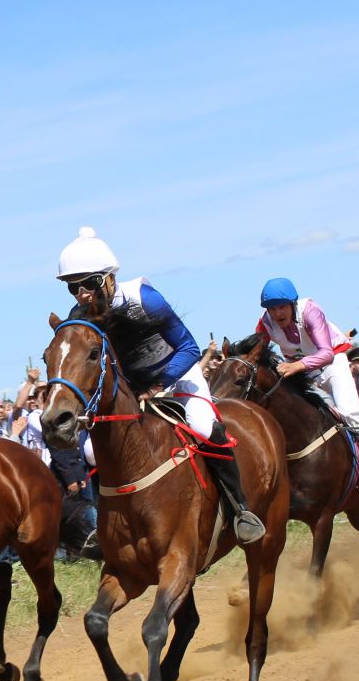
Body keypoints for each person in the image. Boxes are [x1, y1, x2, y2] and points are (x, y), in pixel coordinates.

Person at [56, 227, 264, 543]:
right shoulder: (80, 315)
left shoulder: (145, 299)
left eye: (90, 283)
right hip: (133, 388)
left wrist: (157, 385)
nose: (83, 294)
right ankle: (109, 529)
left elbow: (190, 349)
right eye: (74, 287)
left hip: (176, 376)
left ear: (110, 278)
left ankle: (241, 509)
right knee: (91, 450)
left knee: (206, 428)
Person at [253, 278, 359, 502]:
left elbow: (326, 353)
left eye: (281, 306)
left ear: (292, 304)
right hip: (299, 368)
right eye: (272, 309)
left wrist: (296, 365)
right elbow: (254, 352)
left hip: (331, 363)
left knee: (349, 411)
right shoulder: (265, 324)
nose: (277, 313)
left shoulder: (311, 311)